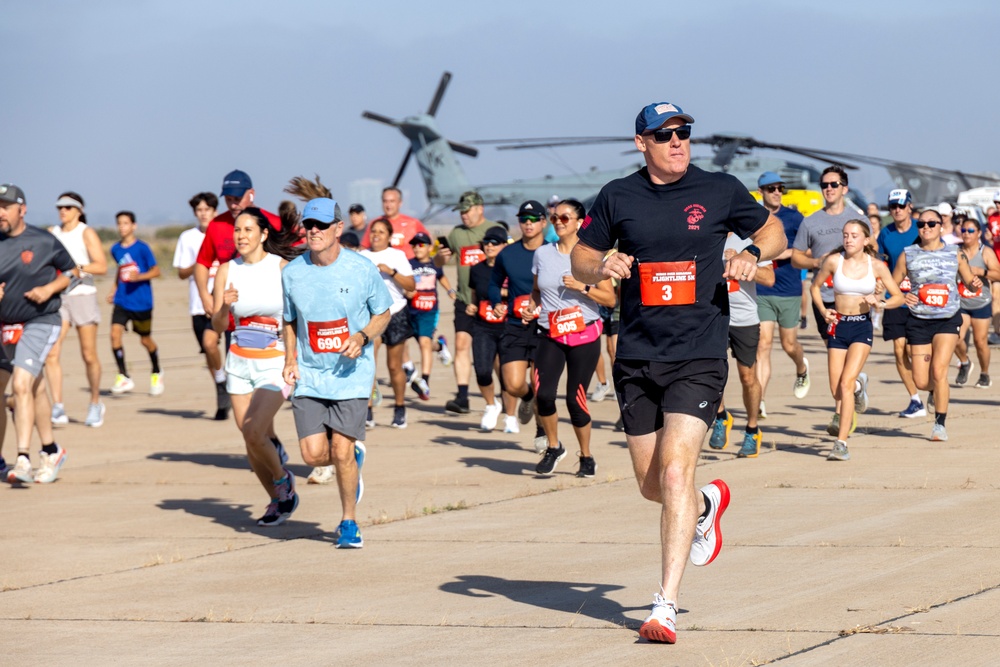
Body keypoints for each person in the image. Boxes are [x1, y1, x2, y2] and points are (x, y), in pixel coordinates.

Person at [570, 102, 787, 644]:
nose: (677, 141)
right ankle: (707, 502)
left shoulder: (719, 188)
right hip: (638, 356)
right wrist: (602, 265)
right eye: (664, 134)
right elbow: (579, 256)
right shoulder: (618, 196)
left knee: (673, 476)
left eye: (684, 132)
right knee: (653, 486)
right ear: (641, 142)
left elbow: (776, 231)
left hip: (699, 352)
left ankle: (663, 605)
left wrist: (751, 253)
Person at [282, 197, 392, 548]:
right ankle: (352, 459)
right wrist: (289, 359)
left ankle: (348, 522)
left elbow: (383, 313)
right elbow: (289, 320)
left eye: (320, 226)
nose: (313, 231)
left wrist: (362, 336)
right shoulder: (292, 272)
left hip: (351, 374)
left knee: (341, 449)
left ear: (338, 229)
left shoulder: (361, 269)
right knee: (313, 455)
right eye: (308, 226)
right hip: (312, 374)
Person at [212, 207, 302, 525]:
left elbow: (298, 316)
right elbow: (218, 323)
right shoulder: (226, 270)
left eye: (248, 230)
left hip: (275, 362)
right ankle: (276, 501)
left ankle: (284, 483)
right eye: (237, 230)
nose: (241, 235)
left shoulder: (282, 267)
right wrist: (223, 305)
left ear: (264, 234)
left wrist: (295, 356)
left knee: (253, 429)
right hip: (239, 361)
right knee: (250, 437)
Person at [525, 199, 615, 477]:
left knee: (575, 401)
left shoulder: (591, 256)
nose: (558, 222)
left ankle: (586, 455)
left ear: (579, 222)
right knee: (544, 394)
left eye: (564, 217)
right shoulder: (542, 253)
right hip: (549, 333)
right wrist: (532, 308)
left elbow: (610, 299)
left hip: (583, 334)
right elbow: (537, 291)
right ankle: (554, 447)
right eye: (554, 218)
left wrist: (583, 286)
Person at [0, 183, 74, 484]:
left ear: (22, 209)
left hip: (41, 321)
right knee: (34, 388)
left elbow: (72, 272)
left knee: (20, 384)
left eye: (5, 206)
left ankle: (22, 458)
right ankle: (50, 449)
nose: (0, 212)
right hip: (6, 327)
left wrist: (49, 288)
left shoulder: (44, 241)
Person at [812, 220, 904, 461]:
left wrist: (880, 303)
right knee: (837, 390)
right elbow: (815, 287)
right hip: (838, 325)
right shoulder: (834, 261)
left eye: (854, 235)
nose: (849, 239)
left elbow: (898, 297)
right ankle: (858, 386)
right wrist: (823, 311)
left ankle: (841, 443)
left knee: (845, 383)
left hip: (861, 327)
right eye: (845, 235)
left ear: (865, 240)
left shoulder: (877, 266)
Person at [892, 208, 981, 442]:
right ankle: (934, 391)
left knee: (939, 371)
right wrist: (902, 297)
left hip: (947, 319)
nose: (926, 228)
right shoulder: (908, 254)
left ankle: (940, 424)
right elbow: (893, 286)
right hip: (919, 320)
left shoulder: (955, 253)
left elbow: (969, 282)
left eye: (932, 223)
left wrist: (974, 284)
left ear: (942, 227)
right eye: (921, 224)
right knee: (922, 380)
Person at [708, 233, 775, 458]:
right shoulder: (707, 234)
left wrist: (741, 262)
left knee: (748, 377)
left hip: (744, 320)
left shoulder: (751, 242)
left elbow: (769, 278)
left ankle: (752, 430)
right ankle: (720, 418)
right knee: (711, 373)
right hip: (713, 317)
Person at [489, 200, 549, 446]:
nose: (528, 224)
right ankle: (528, 397)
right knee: (513, 385)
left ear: (543, 222)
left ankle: (542, 430)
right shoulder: (508, 254)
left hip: (545, 326)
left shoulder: (552, 251)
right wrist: (497, 302)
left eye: (533, 219)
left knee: (541, 382)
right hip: (515, 325)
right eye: (524, 219)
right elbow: (494, 283)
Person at [45, 191, 107, 427]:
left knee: (88, 354)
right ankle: (58, 406)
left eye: (68, 207)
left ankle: (95, 403)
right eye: (60, 206)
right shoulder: (53, 232)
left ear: (79, 210)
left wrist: (78, 268)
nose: (63, 210)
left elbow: (101, 265)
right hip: (59, 297)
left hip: (83, 296)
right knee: (52, 351)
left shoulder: (86, 232)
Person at [434, 191, 500, 415]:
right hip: (464, 300)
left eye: (467, 211)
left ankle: (505, 393)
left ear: (479, 208)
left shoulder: (493, 230)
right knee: (461, 344)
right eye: (461, 212)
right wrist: (441, 257)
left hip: (491, 301)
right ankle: (462, 397)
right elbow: (439, 261)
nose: (463, 215)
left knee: (495, 355)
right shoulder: (456, 234)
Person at [753, 172, 810, 420]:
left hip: (788, 289)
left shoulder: (794, 217)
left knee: (789, 344)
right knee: (762, 345)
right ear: (761, 191)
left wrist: (776, 253)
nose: (776, 192)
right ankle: (759, 401)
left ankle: (801, 368)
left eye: (780, 188)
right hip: (762, 289)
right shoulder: (754, 216)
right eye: (771, 188)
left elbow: (805, 248)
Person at [173, 192, 230, 420]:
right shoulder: (188, 237)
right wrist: (200, 264)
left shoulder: (226, 232)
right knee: (209, 350)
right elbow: (181, 272)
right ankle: (220, 383)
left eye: (207, 209)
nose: (203, 214)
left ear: (215, 211)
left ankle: (229, 389)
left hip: (226, 304)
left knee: (213, 343)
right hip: (199, 304)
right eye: (199, 210)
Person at [193, 170, 281, 318]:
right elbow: (202, 263)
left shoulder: (274, 223)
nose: (233, 205)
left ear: (251, 194)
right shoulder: (216, 225)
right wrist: (204, 295)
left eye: (237, 199)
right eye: (228, 199)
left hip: (269, 315)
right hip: (231, 316)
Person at [360, 218, 415, 428]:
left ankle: (400, 407)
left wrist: (390, 271)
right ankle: (368, 409)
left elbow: (411, 284)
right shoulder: (362, 256)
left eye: (381, 231)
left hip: (396, 312)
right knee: (368, 364)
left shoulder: (397, 256)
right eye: (373, 231)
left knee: (394, 366)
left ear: (389, 236)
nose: (376, 234)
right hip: (371, 315)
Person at [877, 189, 924, 417]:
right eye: (893, 206)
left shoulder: (923, 228)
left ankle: (931, 385)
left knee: (913, 349)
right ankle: (915, 400)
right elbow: (878, 260)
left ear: (910, 207)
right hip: (896, 298)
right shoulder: (886, 233)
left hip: (921, 299)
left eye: (901, 206)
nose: (896, 210)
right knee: (898, 350)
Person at [107, 211, 163, 395]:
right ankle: (123, 376)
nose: (122, 227)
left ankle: (156, 371)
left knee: (145, 340)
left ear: (133, 226)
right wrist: (114, 289)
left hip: (142, 302)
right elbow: (120, 270)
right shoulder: (115, 249)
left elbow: (156, 271)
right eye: (119, 223)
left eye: (125, 223)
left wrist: (139, 276)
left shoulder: (142, 248)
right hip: (122, 300)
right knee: (115, 334)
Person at [466, 226, 516, 431]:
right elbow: (474, 295)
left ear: (505, 245)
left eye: (495, 242)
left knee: (508, 375)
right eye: (487, 242)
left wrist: (503, 293)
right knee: (482, 371)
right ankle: (491, 404)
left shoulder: (512, 267)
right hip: (483, 326)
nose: (489, 246)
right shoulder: (476, 269)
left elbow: (521, 292)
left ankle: (510, 416)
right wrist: (472, 306)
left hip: (508, 325)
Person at [404, 231, 453, 400]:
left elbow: (441, 276)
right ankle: (439, 346)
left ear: (430, 248)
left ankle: (424, 381)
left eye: (421, 244)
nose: (417, 248)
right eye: (414, 245)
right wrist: (406, 292)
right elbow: (403, 283)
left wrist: (450, 290)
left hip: (429, 311)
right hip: (411, 311)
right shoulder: (408, 264)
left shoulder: (434, 263)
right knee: (405, 342)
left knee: (424, 343)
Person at [953, 215, 999, 388]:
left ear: (979, 233)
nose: (966, 234)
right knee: (956, 338)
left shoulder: (985, 252)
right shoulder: (956, 251)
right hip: (961, 302)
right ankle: (965, 363)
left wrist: (982, 272)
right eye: (964, 230)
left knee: (980, 342)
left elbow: (998, 273)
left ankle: (985, 373)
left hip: (981, 302)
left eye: (971, 230)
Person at [359, 187, 429, 261]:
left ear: (400, 203)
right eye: (385, 201)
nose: (388, 205)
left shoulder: (413, 223)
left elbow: (428, 244)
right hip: (383, 268)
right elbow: (364, 247)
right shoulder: (375, 224)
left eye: (392, 201)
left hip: (410, 267)